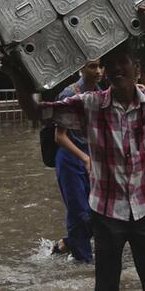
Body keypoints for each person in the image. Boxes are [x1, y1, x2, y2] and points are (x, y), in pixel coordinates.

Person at [3, 3, 145, 291]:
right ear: (105, 72)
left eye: (124, 63)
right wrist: (17, 73)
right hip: (107, 213)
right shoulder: (89, 106)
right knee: (106, 286)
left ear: (137, 69)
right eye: (111, 64)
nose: (117, 69)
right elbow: (35, 112)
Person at [51, 59, 103, 264]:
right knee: (79, 213)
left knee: (100, 212)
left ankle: (66, 244)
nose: (98, 71)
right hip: (71, 158)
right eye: (92, 66)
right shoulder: (69, 95)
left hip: (91, 157)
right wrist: (84, 158)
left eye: (101, 66)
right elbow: (59, 136)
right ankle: (83, 263)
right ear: (81, 68)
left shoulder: (101, 94)